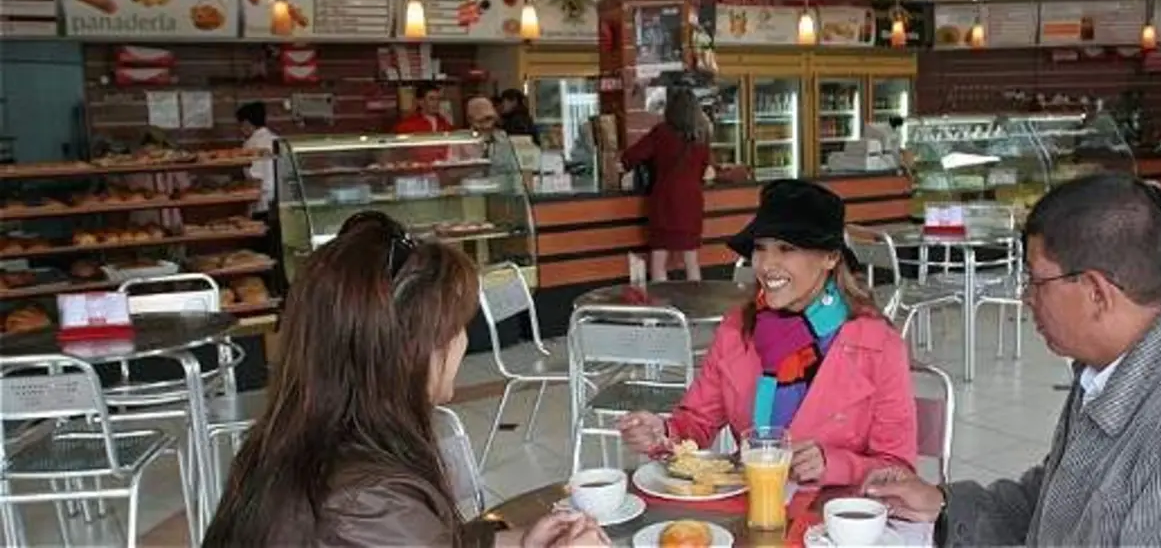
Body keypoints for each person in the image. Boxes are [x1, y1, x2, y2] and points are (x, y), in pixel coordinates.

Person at [203, 211, 609, 547]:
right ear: (410, 351)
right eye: (454, 327)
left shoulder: (293, 445)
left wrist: (512, 542)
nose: (461, 341)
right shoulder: (365, 503)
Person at [865, 173, 1161, 547]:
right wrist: (944, 506)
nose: (1026, 297)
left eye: (1036, 281)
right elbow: (1055, 502)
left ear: (1096, 292)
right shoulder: (1107, 366)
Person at [619, 179, 917, 488]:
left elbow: (898, 467)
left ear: (830, 258)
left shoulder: (879, 344)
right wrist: (663, 434)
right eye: (760, 248)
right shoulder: (737, 330)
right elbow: (697, 422)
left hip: (837, 511)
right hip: (751, 502)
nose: (766, 265)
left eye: (786, 249)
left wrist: (834, 464)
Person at [620, 85, 711, 282]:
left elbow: (630, 157)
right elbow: (703, 170)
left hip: (665, 200)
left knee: (659, 260)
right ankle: (696, 299)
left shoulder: (661, 132)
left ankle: (661, 301)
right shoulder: (701, 135)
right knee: (691, 260)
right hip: (692, 202)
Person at [236, 101, 278, 217]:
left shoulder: (250, 144)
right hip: (278, 200)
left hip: (260, 201)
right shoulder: (276, 139)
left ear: (247, 123)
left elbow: (253, 176)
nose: (240, 129)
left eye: (240, 125)